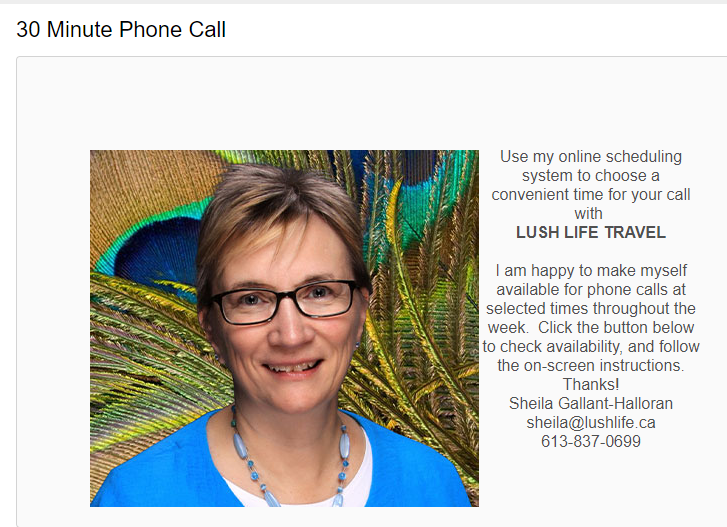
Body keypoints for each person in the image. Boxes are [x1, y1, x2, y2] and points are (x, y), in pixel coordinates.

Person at [91, 164, 471, 507]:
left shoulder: (433, 484)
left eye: (319, 292)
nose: (290, 335)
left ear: (360, 313)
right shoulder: (135, 499)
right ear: (211, 327)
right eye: (252, 299)